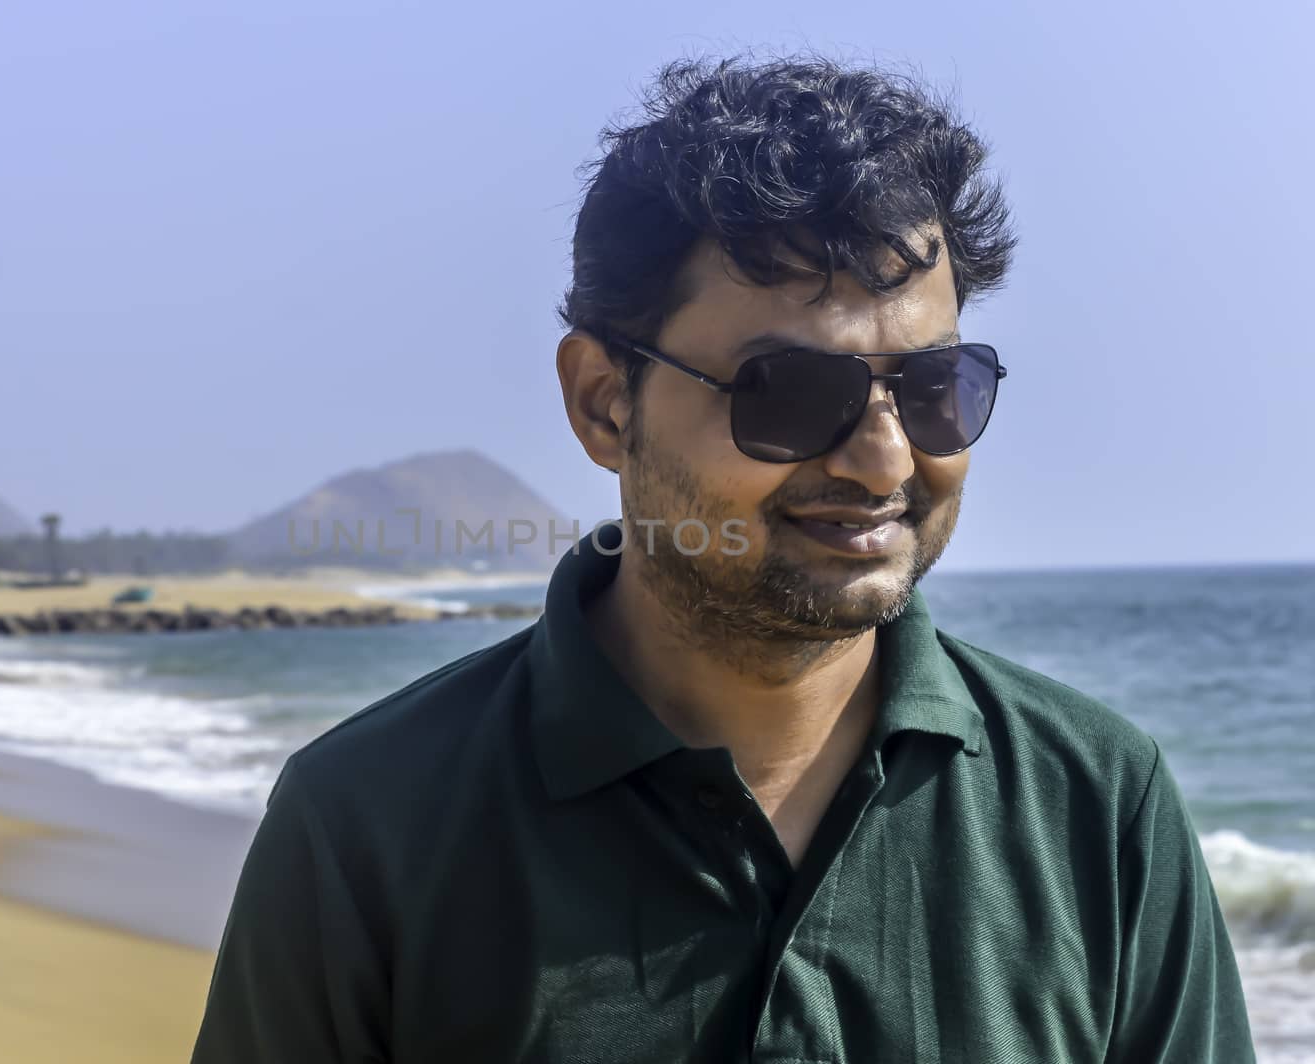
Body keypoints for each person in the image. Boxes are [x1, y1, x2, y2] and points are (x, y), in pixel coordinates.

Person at [191, 54, 1254, 1062]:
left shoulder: (1095, 801)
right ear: (606, 403)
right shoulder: (372, 823)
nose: (884, 457)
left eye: (934, 388)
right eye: (790, 392)